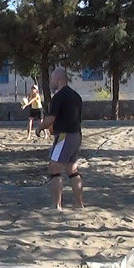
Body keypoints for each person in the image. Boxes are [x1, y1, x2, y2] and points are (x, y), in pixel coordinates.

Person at [36, 68, 84, 210]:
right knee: (72, 169)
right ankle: (79, 204)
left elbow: (51, 118)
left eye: (52, 79)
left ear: (58, 79)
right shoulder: (76, 96)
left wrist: (40, 128)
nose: (51, 81)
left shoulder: (59, 97)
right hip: (76, 135)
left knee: (54, 169)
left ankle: (56, 206)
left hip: (64, 136)